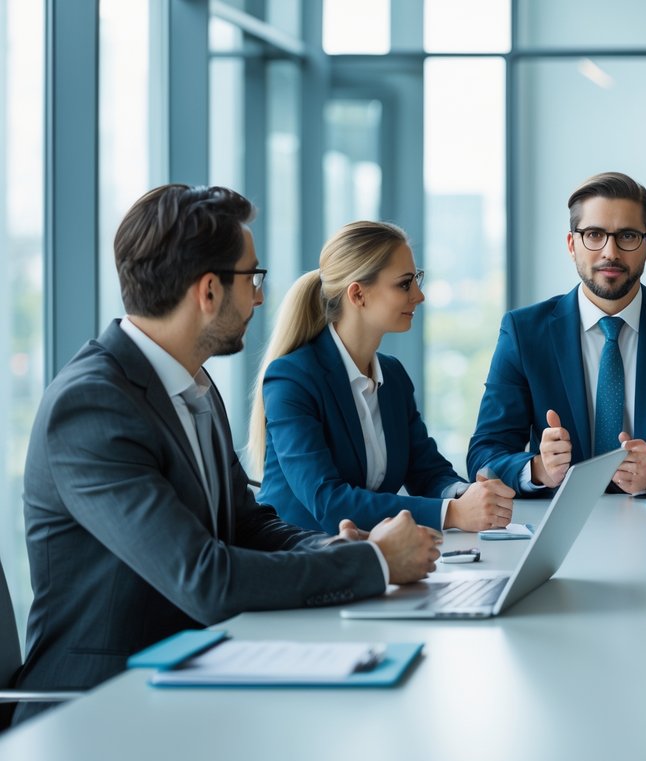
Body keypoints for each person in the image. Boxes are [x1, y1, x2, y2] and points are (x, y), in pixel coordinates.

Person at [13, 185, 439, 724]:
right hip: (99, 709)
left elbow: (246, 523)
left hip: (195, 676)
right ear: (209, 291)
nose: (261, 297)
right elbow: (204, 578)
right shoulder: (93, 405)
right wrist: (372, 563)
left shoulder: (192, 385)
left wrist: (334, 544)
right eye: (252, 278)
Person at [466, 171, 646, 497]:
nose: (610, 252)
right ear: (572, 245)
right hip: (558, 528)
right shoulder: (524, 331)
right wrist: (537, 469)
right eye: (594, 234)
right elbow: (484, 455)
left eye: (627, 236)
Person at [250, 221, 515, 534]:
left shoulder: (392, 375)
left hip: (365, 556)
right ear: (358, 294)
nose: (419, 296)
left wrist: (465, 494)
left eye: (417, 280)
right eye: (404, 284)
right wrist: (452, 513)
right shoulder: (292, 379)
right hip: (298, 560)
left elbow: (426, 470)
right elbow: (328, 501)